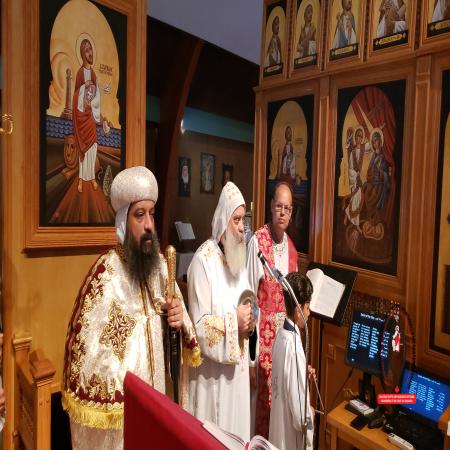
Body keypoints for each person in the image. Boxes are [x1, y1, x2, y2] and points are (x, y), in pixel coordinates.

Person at [62, 166, 201, 450]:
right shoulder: (105, 277)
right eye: (140, 215)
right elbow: (89, 360)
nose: (149, 224)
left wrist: (176, 321)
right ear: (124, 220)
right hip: (127, 421)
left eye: (152, 213)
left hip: (160, 401)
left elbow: (183, 335)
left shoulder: (161, 267)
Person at [188, 181, 252, 442]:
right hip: (212, 381)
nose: (241, 227)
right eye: (236, 219)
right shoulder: (202, 262)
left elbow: (248, 303)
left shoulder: (240, 261)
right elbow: (198, 328)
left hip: (238, 380)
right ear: (224, 220)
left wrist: (251, 321)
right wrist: (235, 322)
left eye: (243, 219)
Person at [246, 182, 298, 438]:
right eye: (279, 206)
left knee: (278, 406)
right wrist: (250, 358)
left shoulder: (292, 249)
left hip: (282, 342)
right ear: (271, 206)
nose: (282, 213)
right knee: (258, 407)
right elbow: (248, 297)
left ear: (291, 212)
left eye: (287, 208)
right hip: (260, 339)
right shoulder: (257, 242)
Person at [269, 272, 315, 450]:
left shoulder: (281, 335)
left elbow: (286, 377)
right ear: (298, 310)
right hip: (290, 436)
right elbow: (299, 415)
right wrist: (310, 415)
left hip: (279, 423)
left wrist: (302, 371)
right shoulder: (294, 347)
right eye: (307, 307)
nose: (309, 313)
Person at [73, 38, 110, 194]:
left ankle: (92, 178)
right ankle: (81, 179)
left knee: (93, 147)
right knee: (83, 150)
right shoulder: (80, 73)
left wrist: (103, 121)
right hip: (81, 118)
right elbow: (75, 96)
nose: (90, 53)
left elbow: (96, 99)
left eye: (90, 49)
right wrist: (83, 87)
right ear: (82, 54)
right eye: (87, 50)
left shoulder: (93, 74)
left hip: (90, 119)